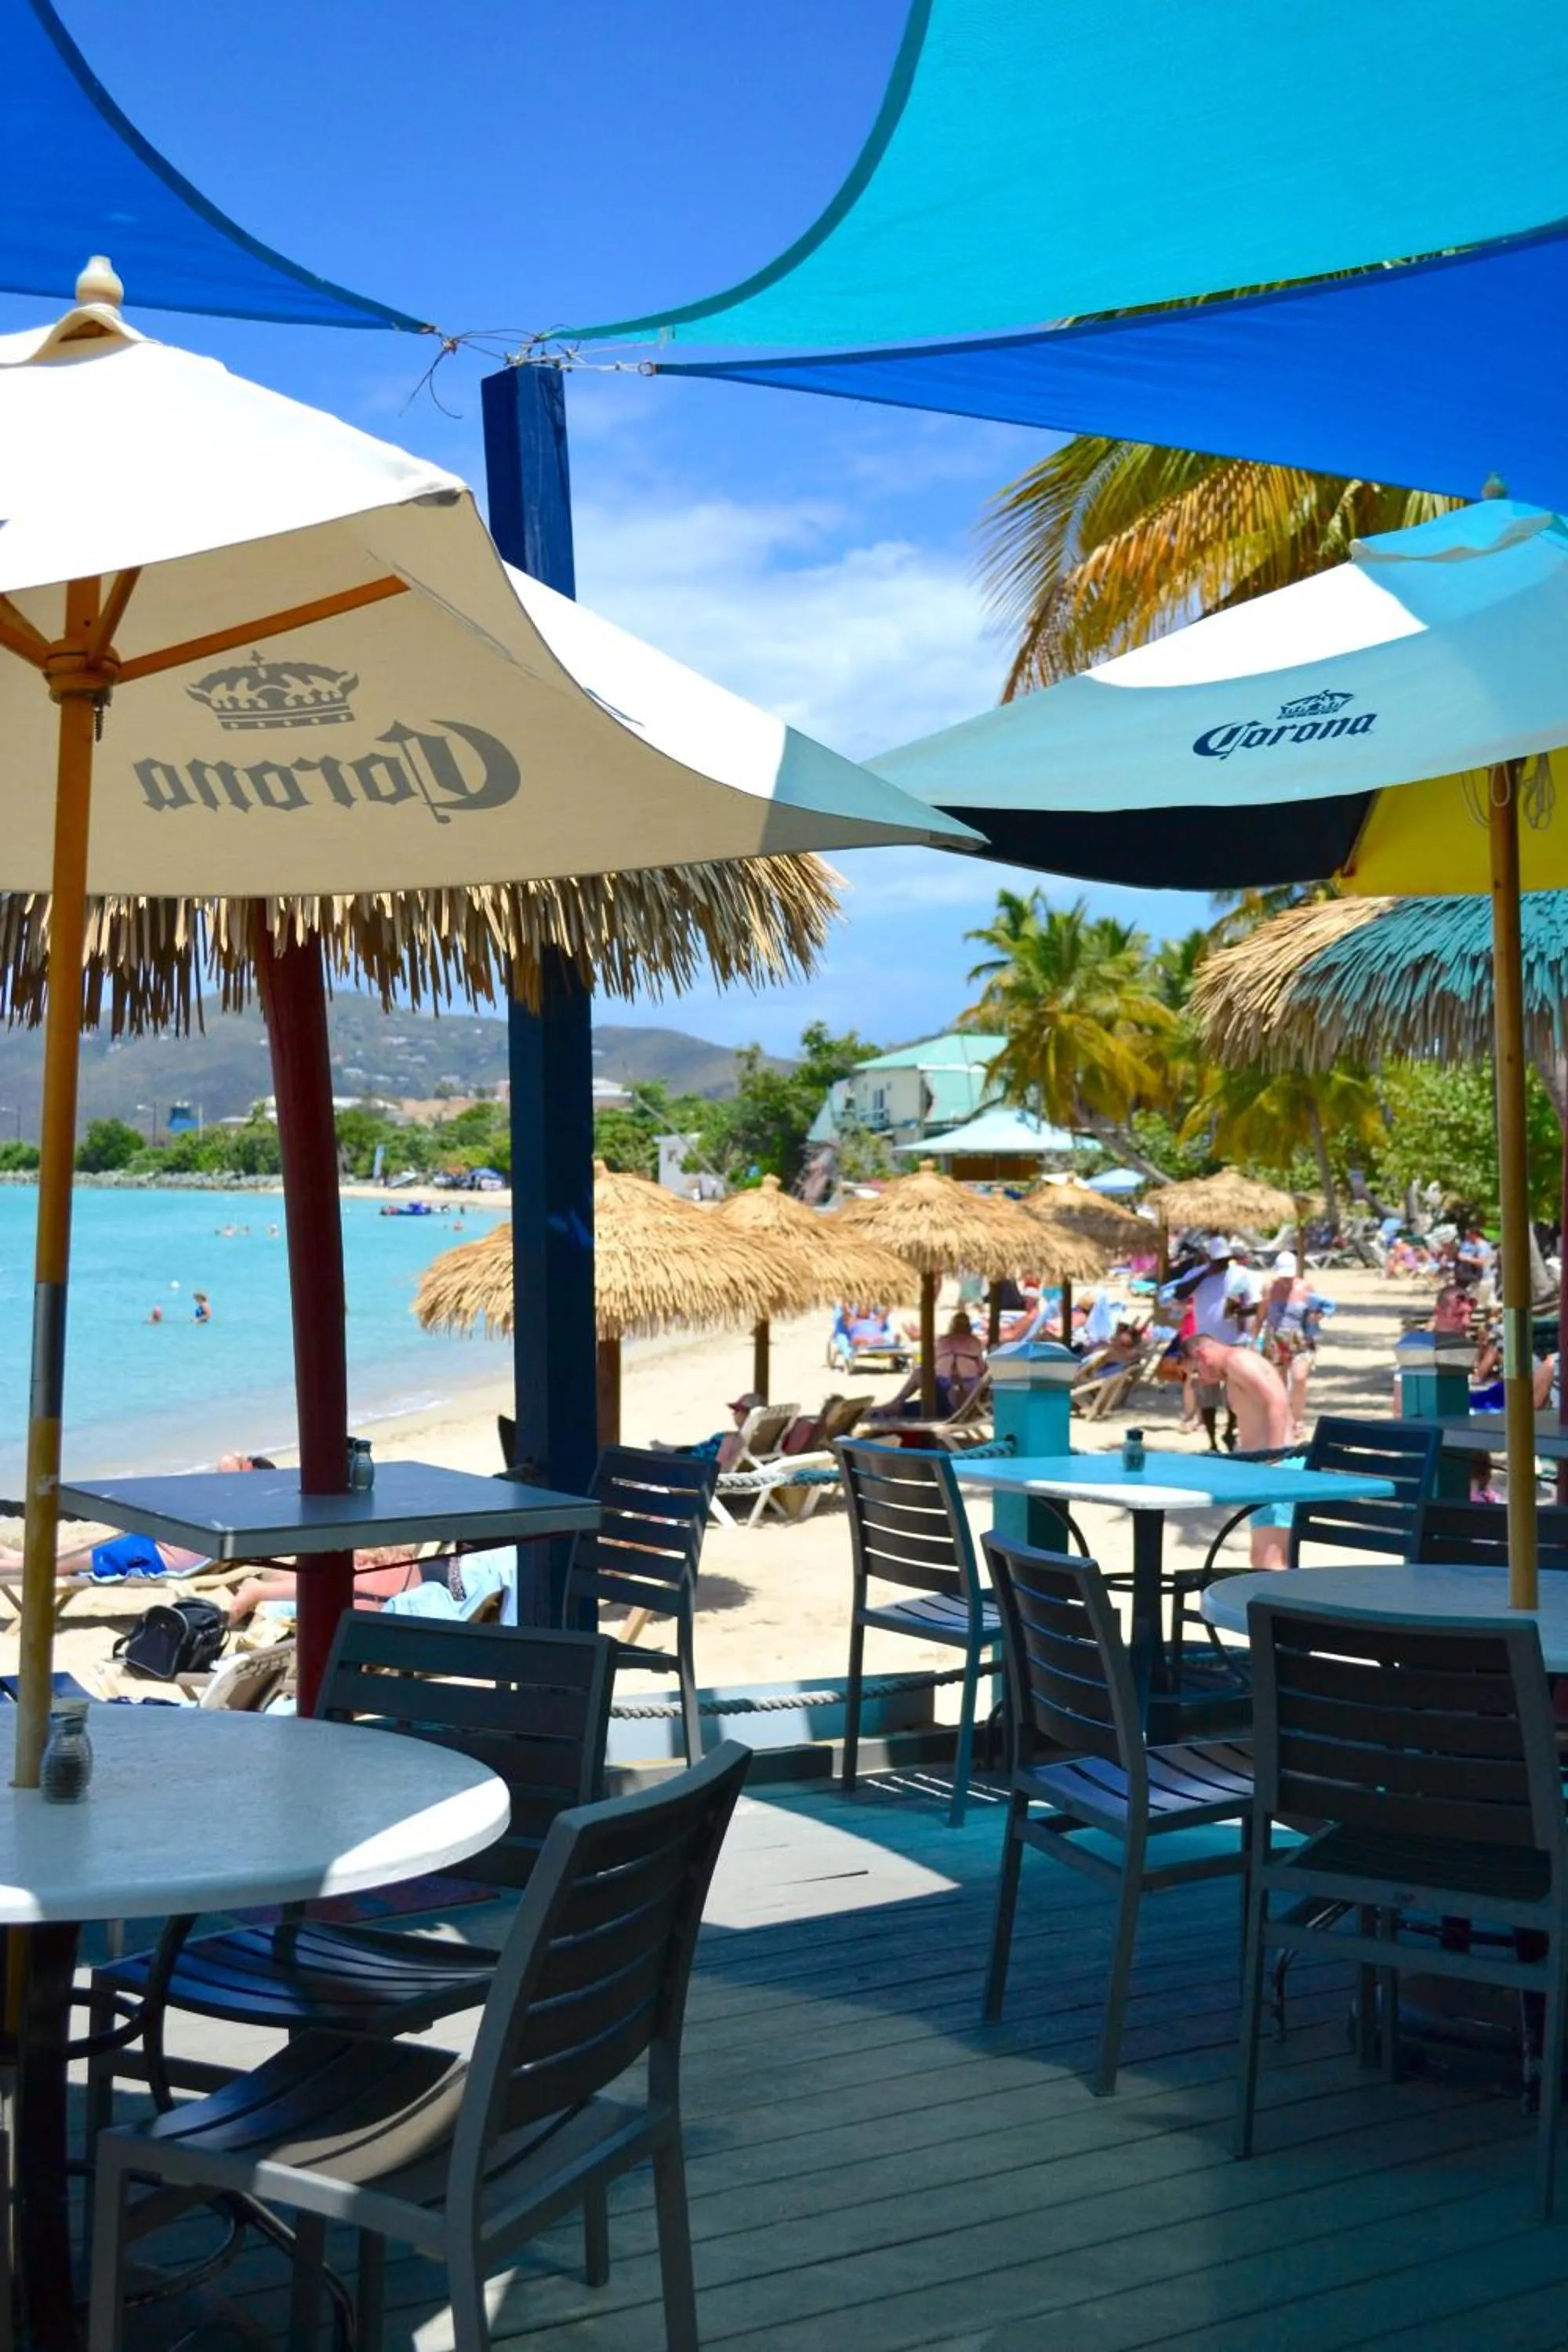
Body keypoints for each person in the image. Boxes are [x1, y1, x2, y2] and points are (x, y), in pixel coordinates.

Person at [1190, 1334, 1294, 1566]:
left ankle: (1275, 1604)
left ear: (1202, 1356)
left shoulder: (1238, 1361)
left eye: (1196, 1372)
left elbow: (1277, 1402)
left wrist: (1274, 1458)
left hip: (1276, 1466)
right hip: (1270, 1465)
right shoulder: (1236, 1365)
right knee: (1267, 1556)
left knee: (1269, 1559)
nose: (1202, 1380)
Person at [869, 1312, 989, 1421]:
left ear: (952, 1326)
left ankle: (896, 1403)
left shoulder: (943, 1341)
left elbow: (931, 1365)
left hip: (946, 1391)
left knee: (919, 1372)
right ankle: (896, 1405)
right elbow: (982, 1370)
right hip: (968, 1394)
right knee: (920, 1400)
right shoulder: (974, 1342)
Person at [1259, 1251, 1325, 1440]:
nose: (1286, 1281)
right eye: (1283, 1276)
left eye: (1289, 1276)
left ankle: (1297, 1418)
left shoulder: (1306, 1287)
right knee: (1278, 1382)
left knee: (1299, 1378)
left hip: (1301, 1339)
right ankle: (1284, 1418)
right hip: (1276, 1340)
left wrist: (1316, 1317)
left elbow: (1317, 1312)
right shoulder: (1269, 1288)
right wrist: (1253, 1339)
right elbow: (1261, 1314)